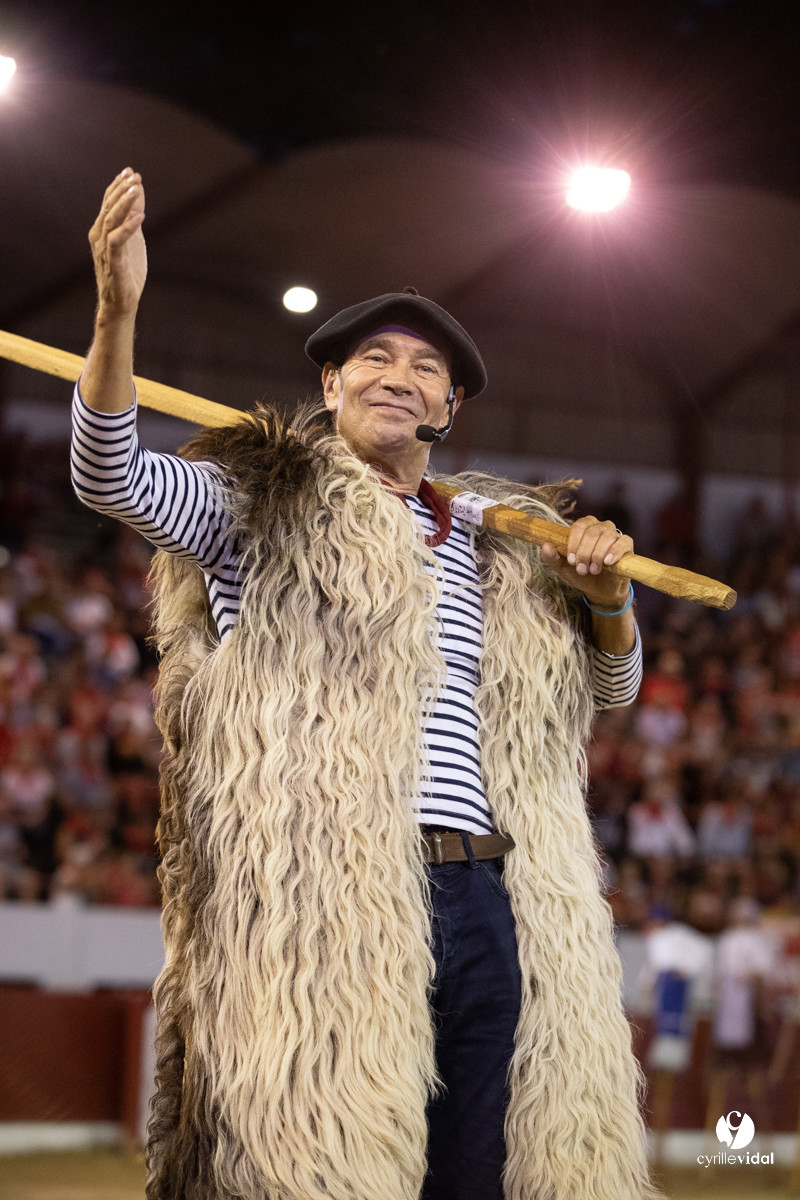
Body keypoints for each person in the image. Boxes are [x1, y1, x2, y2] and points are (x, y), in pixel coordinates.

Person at [71, 169, 663, 1200]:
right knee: (326, 1162)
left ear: (449, 403)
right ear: (332, 385)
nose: (399, 374)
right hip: (330, 900)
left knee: (474, 1174)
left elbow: (609, 688)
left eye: (424, 367)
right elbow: (109, 474)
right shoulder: (263, 503)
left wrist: (606, 592)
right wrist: (116, 315)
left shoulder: (505, 546)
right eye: (374, 357)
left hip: (486, 894)